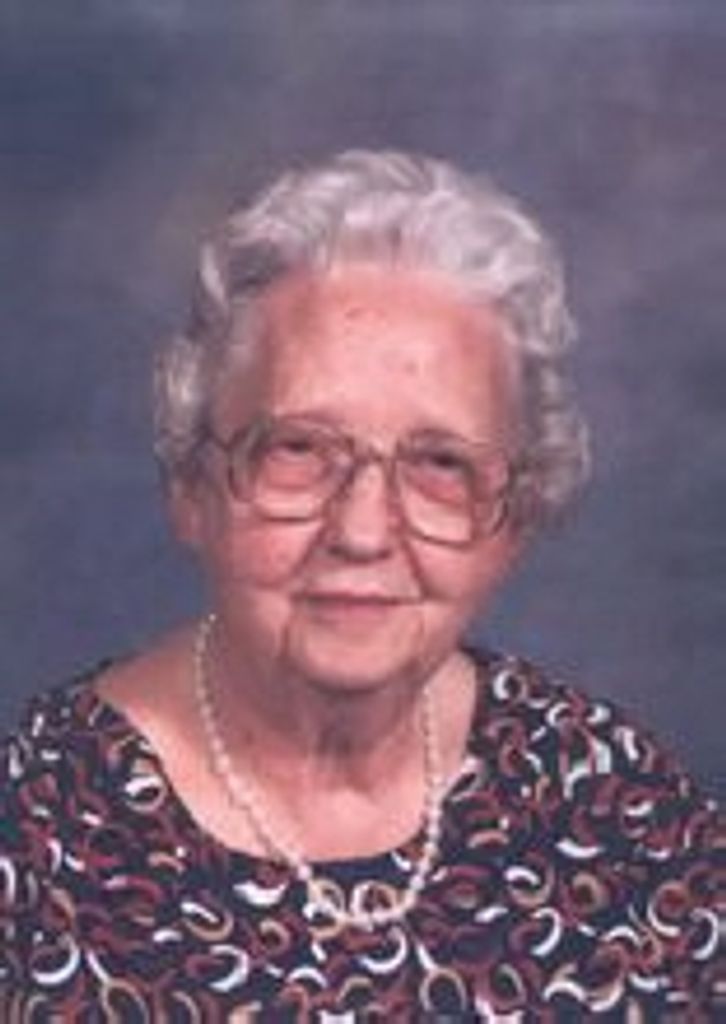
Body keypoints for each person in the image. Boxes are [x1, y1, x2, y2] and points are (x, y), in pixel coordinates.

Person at [0, 150, 721, 1020]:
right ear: (192, 489)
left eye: (441, 463)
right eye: (298, 449)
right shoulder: (34, 843)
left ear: (516, 520)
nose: (363, 531)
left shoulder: (616, 806)